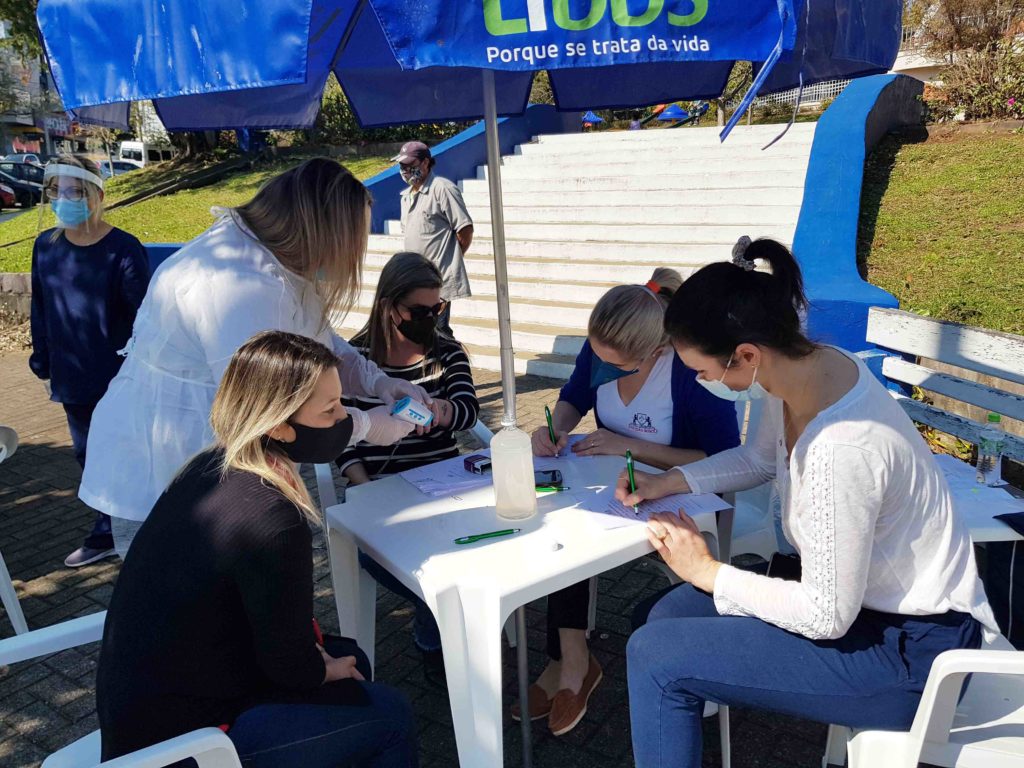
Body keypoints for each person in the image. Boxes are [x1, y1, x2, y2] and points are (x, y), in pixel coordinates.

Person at [619, 239, 997, 768]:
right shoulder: (806, 369)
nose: (703, 383)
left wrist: (708, 571)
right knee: (663, 618)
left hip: (913, 655)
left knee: (656, 657)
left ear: (746, 355)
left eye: (703, 372)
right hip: (864, 607)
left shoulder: (840, 449)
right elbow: (759, 460)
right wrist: (671, 481)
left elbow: (825, 616)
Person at [96, 331, 418, 767]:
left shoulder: (209, 465)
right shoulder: (273, 518)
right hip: (182, 744)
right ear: (279, 425)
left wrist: (319, 660)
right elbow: (290, 666)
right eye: (330, 410)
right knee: (391, 714)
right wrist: (320, 667)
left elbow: (274, 629)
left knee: (353, 660)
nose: (345, 418)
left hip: (144, 712)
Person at [79, 158, 425, 559]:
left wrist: (377, 382)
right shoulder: (239, 285)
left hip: (223, 462)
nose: (352, 256)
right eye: (351, 243)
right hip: (174, 465)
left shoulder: (273, 260)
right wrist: (368, 425)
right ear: (319, 232)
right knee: (199, 602)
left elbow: (316, 340)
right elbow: (278, 406)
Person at [517, 269, 740, 736]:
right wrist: (555, 428)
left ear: (656, 351)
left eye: (615, 366)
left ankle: (572, 663)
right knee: (562, 525)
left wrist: (630, 446)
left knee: (576, 532)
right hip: (617, 485)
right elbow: (575, 394)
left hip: (683, 493)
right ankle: (572, 656)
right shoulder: (605, 347)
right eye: (595, 355)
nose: (601, 368)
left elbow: (725, 461)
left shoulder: (688, 369)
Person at [338, 251, 480, 659]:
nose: (430, 318)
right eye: (420, 310)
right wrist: (364, 489)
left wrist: (442, 410)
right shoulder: (355, 361)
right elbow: (342, 439)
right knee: (409, 562)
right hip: (384, 494)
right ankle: (439, 636)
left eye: (437, 308)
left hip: (447, 485)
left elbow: (468, 411)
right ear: (388, 306)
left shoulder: (447, 351)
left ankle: (446, 631)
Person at [29, 156, 150, 567]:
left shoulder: (122, 249)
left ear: (96, 196)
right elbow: (41, 307)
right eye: (56, 191)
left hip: (118, 378)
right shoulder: (45, 247)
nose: (64, 200)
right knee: (88, 456)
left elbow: (143, 318)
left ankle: (139, 532)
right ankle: (105, 531)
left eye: (75, 191)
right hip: (72, 375)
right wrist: (42, 362)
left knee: (128, 452)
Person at [395, 141, 473, 333]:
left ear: (426, 163)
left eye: (410, 165)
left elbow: (465, 230)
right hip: (414, 280)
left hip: (438, 281)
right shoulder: (406, 196)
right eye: (402, 165)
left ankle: (450, 362)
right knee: (420, 334)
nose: (405, 170)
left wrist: (450, 261)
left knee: (439, 333)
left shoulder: (442, 189)